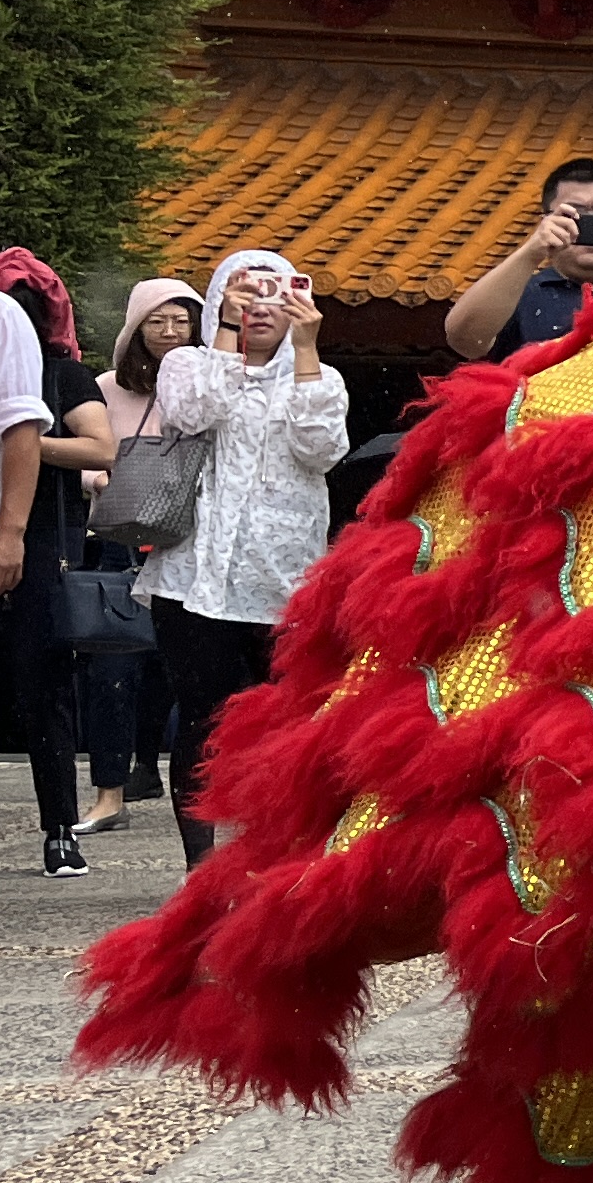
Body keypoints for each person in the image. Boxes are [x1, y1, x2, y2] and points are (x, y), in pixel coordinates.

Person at [138, 251, 353, 868]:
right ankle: (200, 868)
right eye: (245, 298)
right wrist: (227, 333)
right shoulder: (188, 363)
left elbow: (321, 452)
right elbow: (194, 412)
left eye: (274, 299)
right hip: (192, 580)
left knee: (281, 723)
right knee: (202, 721)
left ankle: (271, 855)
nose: (261, 310)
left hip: (281, 583)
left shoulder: (322, 378)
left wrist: (307, 349)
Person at [0, 257, 111, 878]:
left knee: (44, 685)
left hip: (33, 537)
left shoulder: (63, 376)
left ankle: (60, 824)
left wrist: (24, 436)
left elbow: (101, 446)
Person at [77, 279, 201, 836]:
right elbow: (87, 449)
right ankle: (108, 792)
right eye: (157, 321)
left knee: (174, 673)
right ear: (135, 328)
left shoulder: (211, 385)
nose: (170, 332)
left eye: (181, 320)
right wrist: (94, 477)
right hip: (119, 541)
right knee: (111, 669)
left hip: (187, 543)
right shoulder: (106, 387)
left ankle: (149, 769)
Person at [438, 156, 593, 361]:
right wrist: (530, 252)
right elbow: (464, 341)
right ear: (546, 220)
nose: (589, 226)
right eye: (574, 215)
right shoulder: (518, 294)